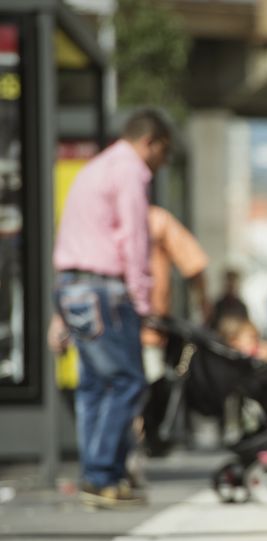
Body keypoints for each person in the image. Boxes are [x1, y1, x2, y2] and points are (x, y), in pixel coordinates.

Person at [52, 108, 171, 508]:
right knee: (127, 381)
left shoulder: (96, 168)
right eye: (162, 152)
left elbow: (73, 238)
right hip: (105, 290)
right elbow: (134, 239)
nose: (160, 163)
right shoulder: (129, 171)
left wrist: (59, 313)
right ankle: (103, 476)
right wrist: (141, 299)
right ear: (150, 141)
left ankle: (100, 475)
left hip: (72, 287)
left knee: (94, 385)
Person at [141, 205, 210, 382]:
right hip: (140, 328)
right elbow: (195, 265)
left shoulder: (155, 220)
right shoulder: (156, 220)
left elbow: (194, 264)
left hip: (147, 330)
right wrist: (204, 307)